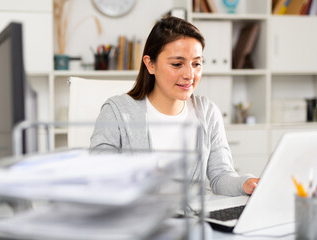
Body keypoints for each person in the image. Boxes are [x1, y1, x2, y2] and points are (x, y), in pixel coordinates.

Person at [90, 16, 259, 196]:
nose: (190, 75)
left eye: (196, 64)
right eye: (177, 64)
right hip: (138, 219)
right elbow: (99, 178)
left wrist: (246, 183)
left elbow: (220, 176)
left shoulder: (208, 112)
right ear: (150, 64)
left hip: (192, 220)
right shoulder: (116, 112)